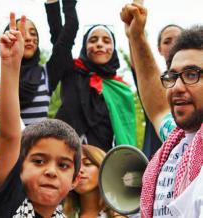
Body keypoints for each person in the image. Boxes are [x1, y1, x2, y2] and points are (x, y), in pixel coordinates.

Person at [0, 12, 81, 218]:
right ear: (20, 168)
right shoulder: (8, 199)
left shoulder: (45, 74)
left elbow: (64, 40)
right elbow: (9, 135)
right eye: (39, 161)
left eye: (63, 165)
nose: (51, 172)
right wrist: (9, 65)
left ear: (75, 180)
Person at [121, 3, 203, 217]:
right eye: (172, 76)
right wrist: (136, 37)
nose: (176, 87)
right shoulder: (177, 140)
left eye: (192, 74)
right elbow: (157, 107)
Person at [0, 0, 78, 126]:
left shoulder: (47, 74)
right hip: (4, 145)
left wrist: (53, 3)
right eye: (21, 33)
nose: (29, 38)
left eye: (33, 34)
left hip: (37, 146)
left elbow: (65, 37)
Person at [54, 23, 136, 152]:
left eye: (106, 41)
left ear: (113, 49)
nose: (99, 44)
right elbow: (59, 38)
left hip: (99, 163)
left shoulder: (120, 89)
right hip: (62, 155)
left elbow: (125, 134)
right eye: (93, 40)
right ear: (84, 46)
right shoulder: (71, 72)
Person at [130, 23, 183, 159]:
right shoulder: (150, 82)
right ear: (159, 49)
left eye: (192, 76)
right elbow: (140, 66)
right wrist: (134, 34)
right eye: (167, 41)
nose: (178, 89)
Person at [63, 144, 127, 218]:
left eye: (87, 164)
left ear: (103, 168)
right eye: (75, 166)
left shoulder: (127, 211)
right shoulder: (59, 213)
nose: (79, 170)